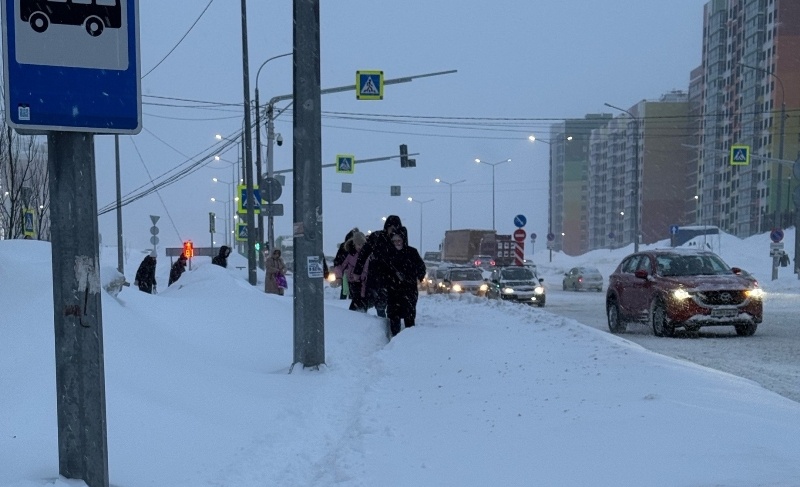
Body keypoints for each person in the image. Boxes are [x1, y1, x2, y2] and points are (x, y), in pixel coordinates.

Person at [353, 215, 402, 318]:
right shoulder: (377, 236)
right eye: (391, 228)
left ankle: (385, 323)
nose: (393, 231)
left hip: (391, 276)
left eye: (395, 228)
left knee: (386, 304)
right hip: (375, 275)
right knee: (369, 300)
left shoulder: (399, 238)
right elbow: (363, 254)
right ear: (387, 227)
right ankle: (360, 321)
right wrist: (357, 271)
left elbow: (404, 256)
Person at [385, 226, 426, 337]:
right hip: (393, 291)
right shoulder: (388, 253)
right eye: (394, 241)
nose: (397, 243)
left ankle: (410, 339)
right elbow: (383, 270)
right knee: (394, 316)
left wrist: (419, 276)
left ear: (403, 240)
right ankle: (394, 338)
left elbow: (421, 266)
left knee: (409, 315)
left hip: (409, 290)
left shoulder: (412, 252)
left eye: (399, 240)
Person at [334, 231, 368, 312]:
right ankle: (353, 313)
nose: (360, 246)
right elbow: (341, 266)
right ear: (354, 244)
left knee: (363, 298)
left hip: (364, 281)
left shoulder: (367, 255)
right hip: (353, 280)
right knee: (356, 298)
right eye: (358, 244)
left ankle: (362, 313)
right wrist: (339, 277)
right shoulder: (350, 255)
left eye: (362, 244)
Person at [333, 227, 359, 300]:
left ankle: (344, 305)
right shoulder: (346, 248)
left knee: (346, 291)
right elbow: (338, 262)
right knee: (350, 292)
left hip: (349, 273)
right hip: (350, 274)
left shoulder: (344, 247)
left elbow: (337, 262)